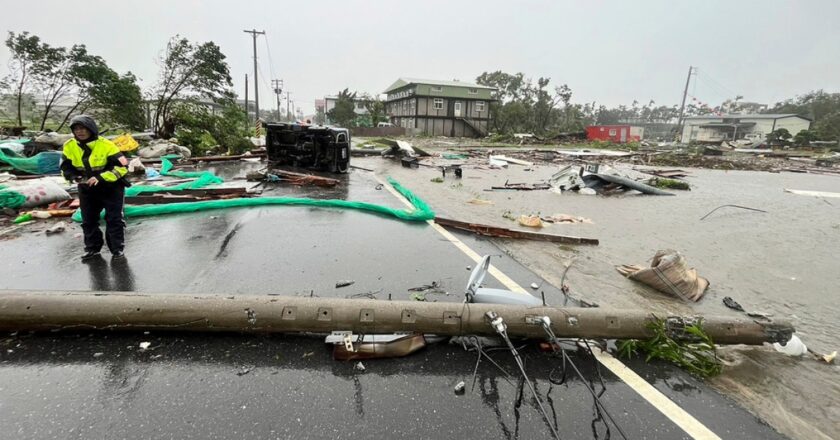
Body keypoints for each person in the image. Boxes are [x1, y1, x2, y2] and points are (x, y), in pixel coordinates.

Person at [60, 115, 129, 261]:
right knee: (88, 220)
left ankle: (117, 250)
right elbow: (65, 167)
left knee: (114, 219)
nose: (80, 132)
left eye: (83, 128)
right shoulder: (69, 145)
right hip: (87, 188)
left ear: (91, 129)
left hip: (111, 187)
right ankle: (92, 249)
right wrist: (74, 177)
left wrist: (101, 177)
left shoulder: (106, 145)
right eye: (76, 129)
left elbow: (122, 167)